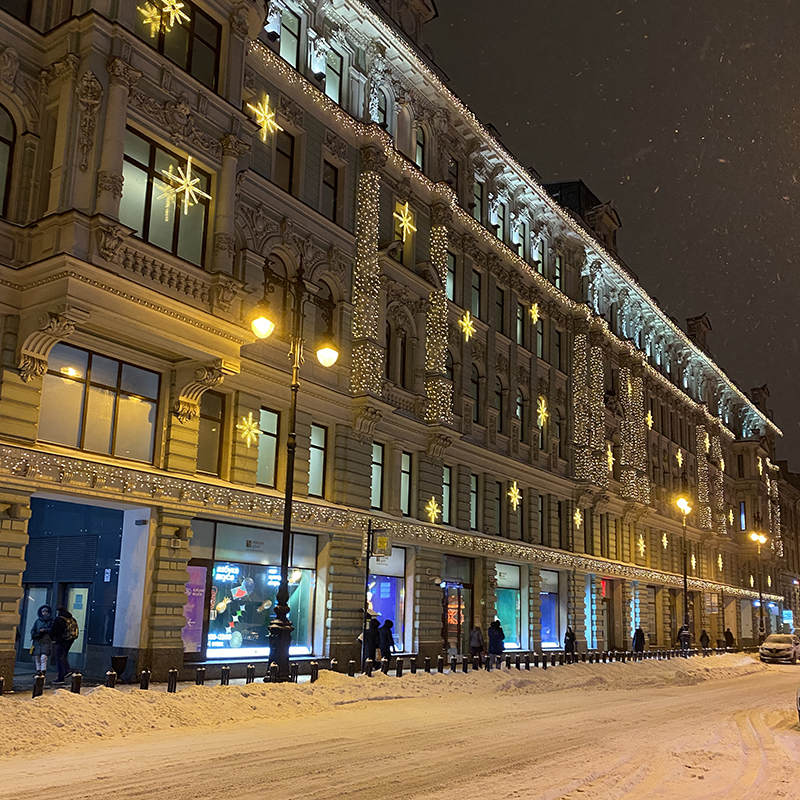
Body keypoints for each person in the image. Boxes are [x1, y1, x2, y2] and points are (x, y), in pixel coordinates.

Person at [51, 606, 78, 684]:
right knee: (64, 655)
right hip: (70, 639)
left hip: (61, 640)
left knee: (59, 657)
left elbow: (54, 630)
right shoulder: (72, 619)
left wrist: (51, 637)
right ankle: (67, 670)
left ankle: (61, 676)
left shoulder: (59, 619)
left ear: (58, 611)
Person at [30, 605, 53, 676]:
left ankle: (43, 670)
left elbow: (52, 630)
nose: (44, 613)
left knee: (44, 656)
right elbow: (33, 630)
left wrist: (45, 630)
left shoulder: (51, 621)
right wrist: (35, 634)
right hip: (37, 640)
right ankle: (38, 670)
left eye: (46, 611)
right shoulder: (37, 621)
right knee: (37, 656)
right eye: (43, 611)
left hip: (46, 640)